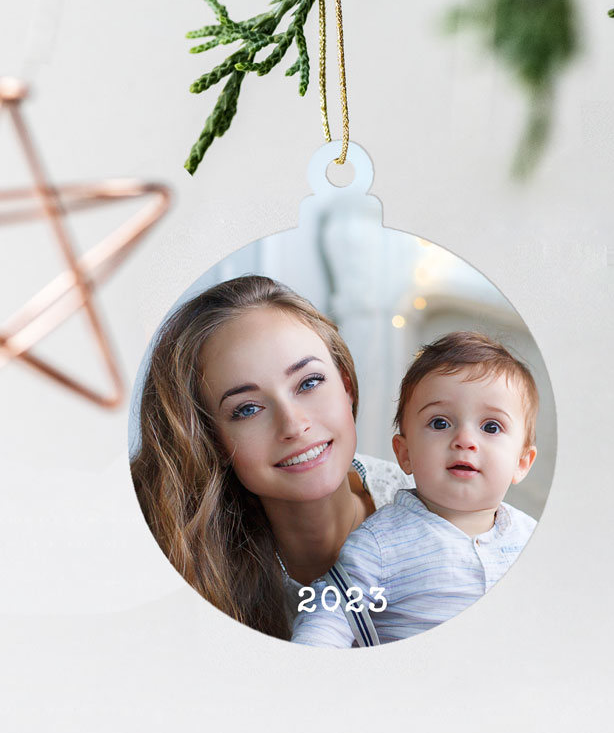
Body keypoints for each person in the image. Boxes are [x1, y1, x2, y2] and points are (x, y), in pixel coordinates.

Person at [131, 274, 408, 640]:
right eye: (247, 409)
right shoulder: (180, 567)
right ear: (212, 441)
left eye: (309, 382)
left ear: (346, 386)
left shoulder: (445, 512)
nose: (293, 425)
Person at [292, 330, 539, 647]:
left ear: (521, 461)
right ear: (404, 453)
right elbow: (330, 615)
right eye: (440, 423)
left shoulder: (528, 536)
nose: (465, 440)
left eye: (491, 426)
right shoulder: (381, 543)